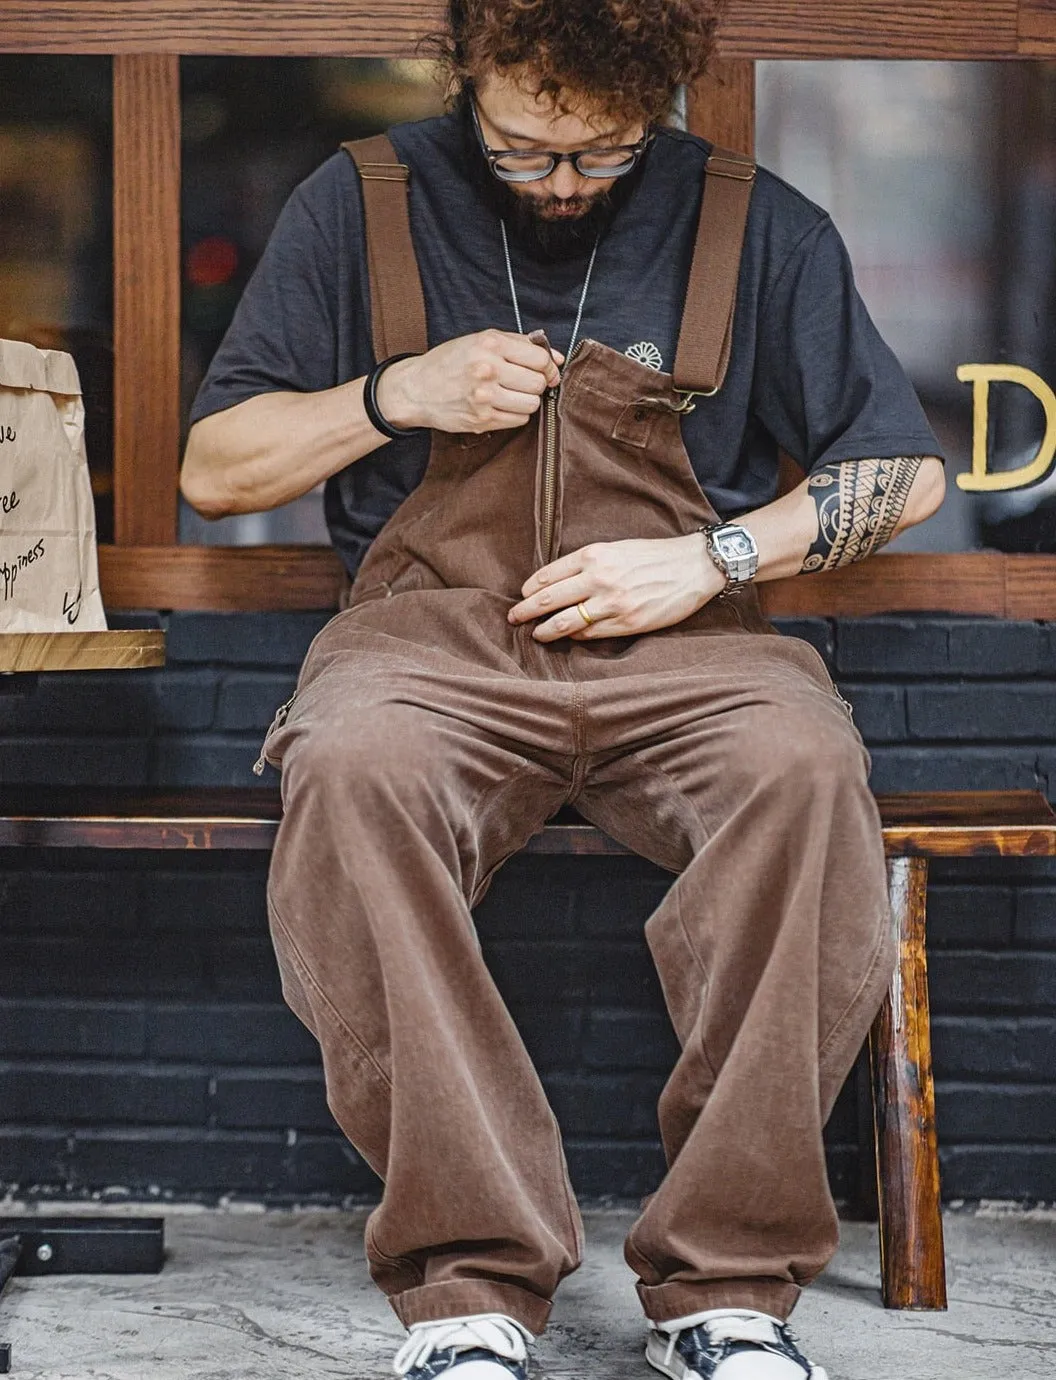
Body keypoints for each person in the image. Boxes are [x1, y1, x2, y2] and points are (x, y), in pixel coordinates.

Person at [180, 2, 947, 1377]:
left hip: (691, 650)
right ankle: (470, 1283)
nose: (567, 184)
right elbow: (216, 469)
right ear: (468, 76)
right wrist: (392, 391)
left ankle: (727, 1290)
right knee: (349, 766)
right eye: (527, 150)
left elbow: (905, 473)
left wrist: (709, 559)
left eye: (604, 151)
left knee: (806, 770)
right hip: (428, 643)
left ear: (655, 102)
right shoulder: (356, 204)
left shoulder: (753, 222)